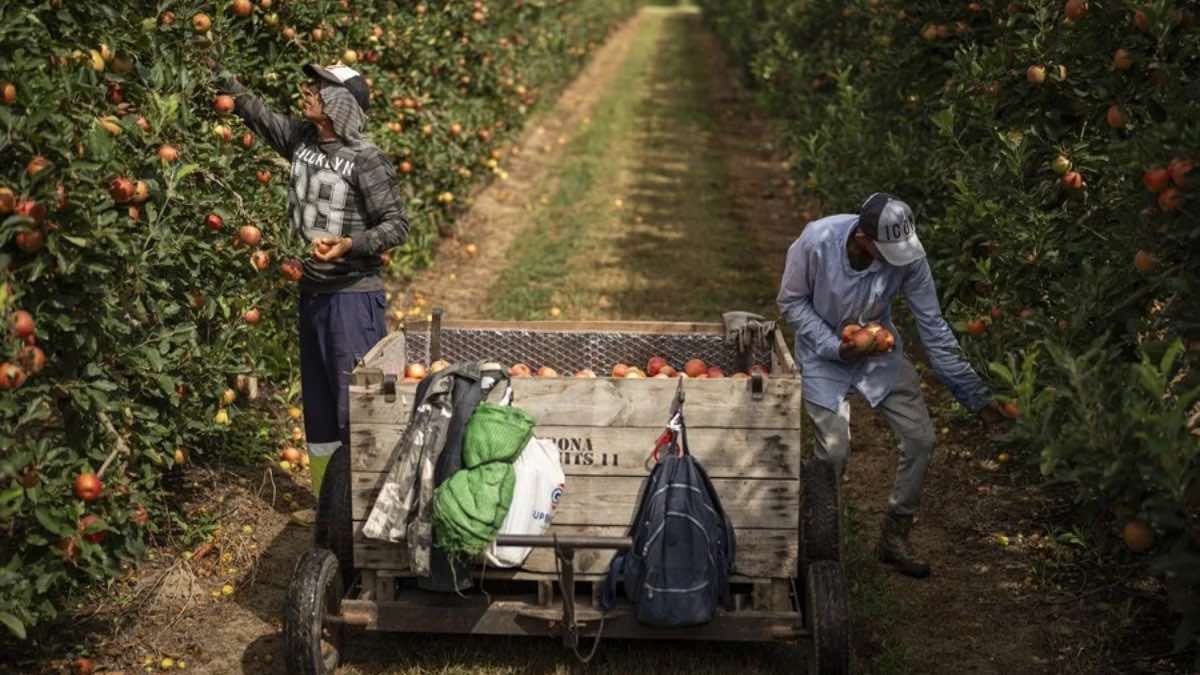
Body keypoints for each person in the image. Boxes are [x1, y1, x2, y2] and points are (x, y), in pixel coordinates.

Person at [212, 62, 410, 537]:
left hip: (351, 296)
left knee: (353, 409)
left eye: (320, 87)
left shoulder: (365, 158)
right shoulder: (301, 141)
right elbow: (258, 115)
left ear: (342, 102)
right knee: (321, 409)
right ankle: (329, 510)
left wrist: (350, 244)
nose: (308, 91)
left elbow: (397, 224)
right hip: (313, 292)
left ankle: (361, 513)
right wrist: (224, 80)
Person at [777, 192, 1006, 578]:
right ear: (863, 239)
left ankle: (895, 536)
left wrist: (976, 398)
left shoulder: (910, 258)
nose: (897, 259)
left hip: (880, 350)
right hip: (823, 352)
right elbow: (791, 302)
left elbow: (933, 328)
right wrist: (836, 346)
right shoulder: (817, 241)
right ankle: (818, 536)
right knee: (833, 452)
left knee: (920, 439)